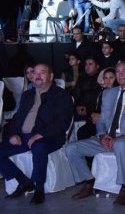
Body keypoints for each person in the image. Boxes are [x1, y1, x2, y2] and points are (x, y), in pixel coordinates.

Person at [66, 62, 125, 205]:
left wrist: (122, 136)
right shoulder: (108, 93)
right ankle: (89, 181)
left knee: (119, 144)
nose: (120, 74)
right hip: (108, 138)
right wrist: (101, 135)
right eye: (118, 72)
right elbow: (102, 119)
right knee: (71, 148)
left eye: (124, 71)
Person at [0, 64, 73, 204]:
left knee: (39, 147)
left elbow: (62, 122)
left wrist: (40, 134)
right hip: (24, 137)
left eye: (42, 72)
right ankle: (23, 181)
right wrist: (13, 134)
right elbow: (17, 119)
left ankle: (39, 188)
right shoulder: (27, 95)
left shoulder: (61, 95)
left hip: (50, 137)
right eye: (35, 73)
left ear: (51, 76)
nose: (37, 76)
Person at [76, 68, 116, 140]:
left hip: (109, 123)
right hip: (97, 121)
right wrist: (92, 114)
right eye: (105, 78)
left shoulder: (118, 93)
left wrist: (100, 117)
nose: (108, 81)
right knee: (82, 131)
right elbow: (95, 107)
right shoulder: (102, 92)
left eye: (111, 78)